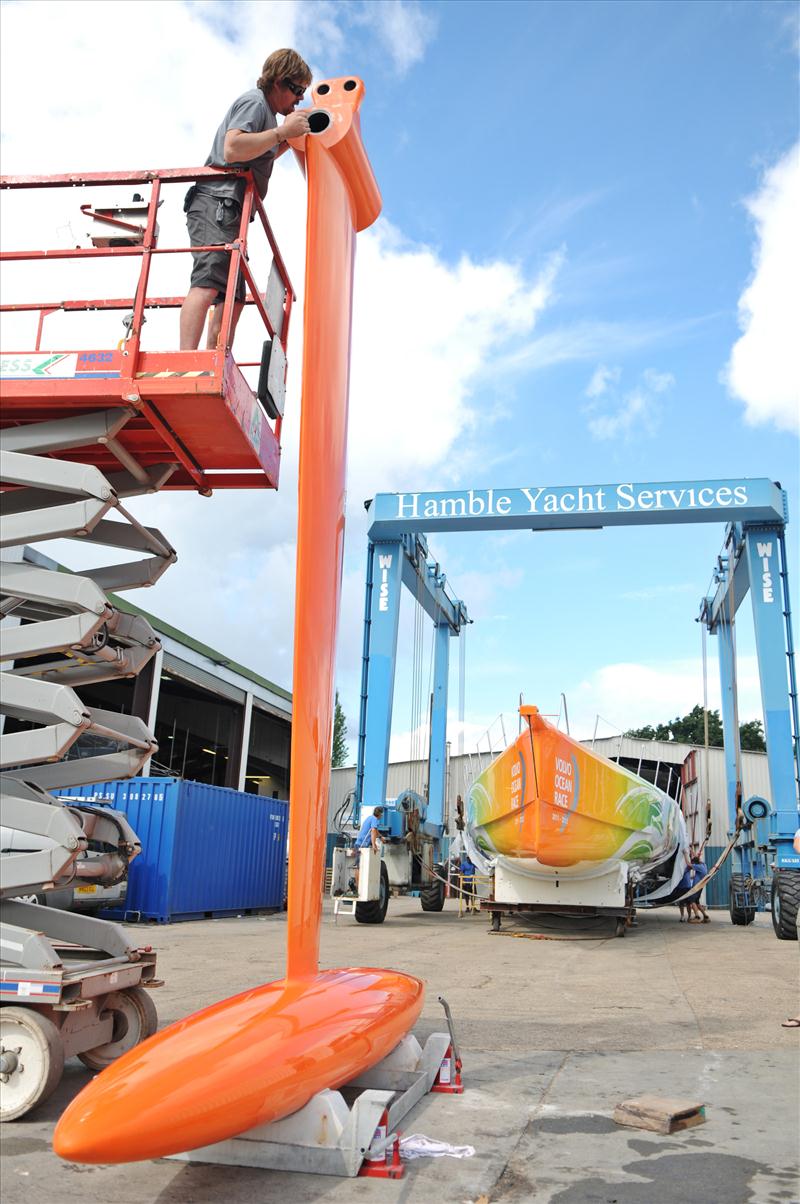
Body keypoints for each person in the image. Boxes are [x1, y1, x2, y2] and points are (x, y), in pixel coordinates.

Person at [179, 48, 312, 351]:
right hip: (217, 201)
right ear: (278, 82)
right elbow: (233, 148)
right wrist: (281, 133)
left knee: (233, 297)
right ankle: (185, 361)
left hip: (232, 211)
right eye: (297, 90)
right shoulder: (255, 103)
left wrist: (288, 138)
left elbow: (259, 152)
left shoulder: (269, 116)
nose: (299, 99)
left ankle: (216, 359)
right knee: (207, 283)